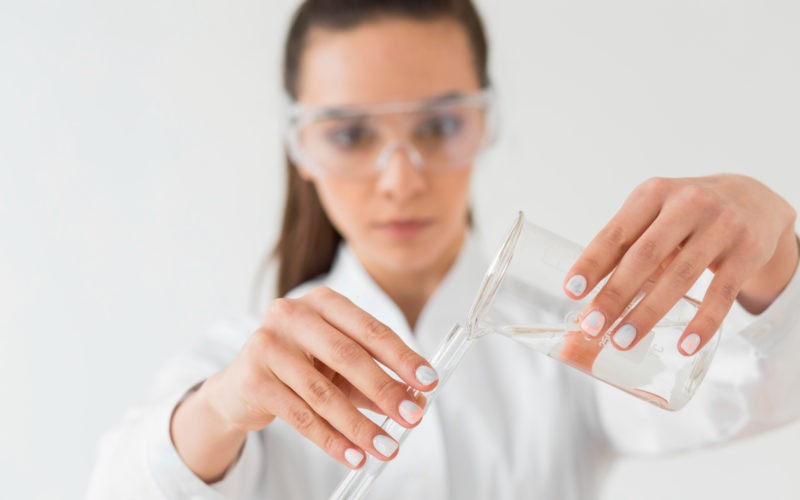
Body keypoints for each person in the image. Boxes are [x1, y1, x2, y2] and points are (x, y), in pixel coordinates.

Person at [87, 1, 800, 499]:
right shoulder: (238, 366)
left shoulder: (567, 337)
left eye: (437, 125)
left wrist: (774, 255)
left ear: (483, 121)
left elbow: (762, 388)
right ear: (301, 146)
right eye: (350, 134)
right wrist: (220, 412)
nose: (401, 178)